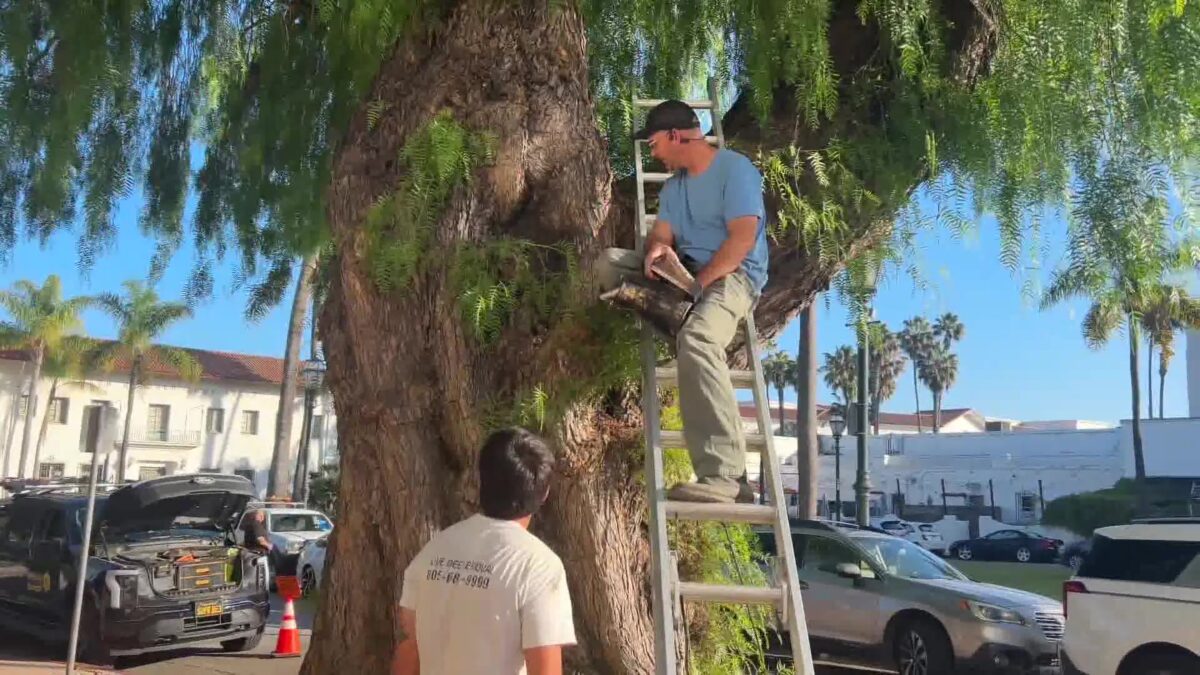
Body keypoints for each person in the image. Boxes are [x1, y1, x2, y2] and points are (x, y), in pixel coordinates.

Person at [597, 99, 769, 504]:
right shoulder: (674, 187)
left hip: (733, 277)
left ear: (676, 135)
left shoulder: (735, 170)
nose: (652, 152)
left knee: (698, 339)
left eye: (654, 143)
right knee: (609, 266)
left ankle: (726, 477)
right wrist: (658, 251)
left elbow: (741, 242)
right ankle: (675, 315)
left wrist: (698, 287)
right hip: (686, 273)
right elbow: (663, 234)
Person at [392, 427, 576, 675]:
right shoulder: (539, 566)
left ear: (480, 480)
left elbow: (412, 646)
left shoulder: (434, 550)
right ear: (544, 493)